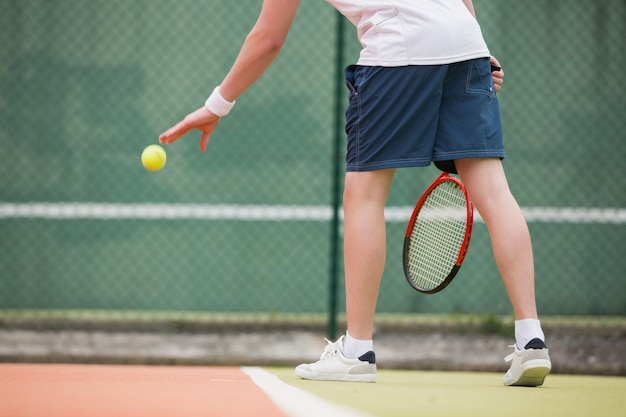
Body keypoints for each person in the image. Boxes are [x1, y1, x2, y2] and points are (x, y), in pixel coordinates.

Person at [159, 0, 551, 387]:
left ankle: (357, 351)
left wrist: (216, 105)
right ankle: (531, 339)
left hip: (400, 52)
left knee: (363, 196)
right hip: (466, 47)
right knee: (495, 192)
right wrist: (472, 46)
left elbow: (267, 39)